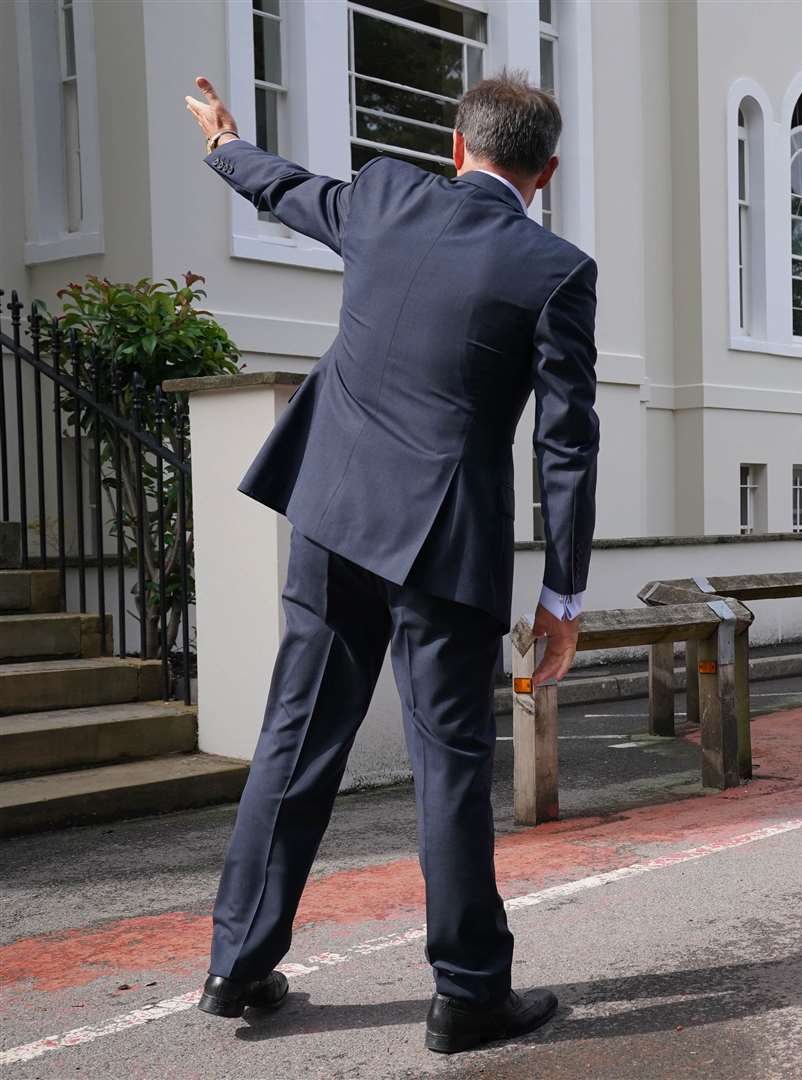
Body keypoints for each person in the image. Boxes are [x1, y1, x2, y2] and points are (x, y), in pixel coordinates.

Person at [183, 73, 597, 1052]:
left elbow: (287, 189)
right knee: (447, 768)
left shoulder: (383, 195)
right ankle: (466, 994)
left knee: (294, 738)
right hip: (444, 545)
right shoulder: (553, 268)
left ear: (458, 148)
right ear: (547, 171)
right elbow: (567, 441)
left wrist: (224, 145)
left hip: (330, 516)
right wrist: (563, 593)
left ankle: (236, 967)